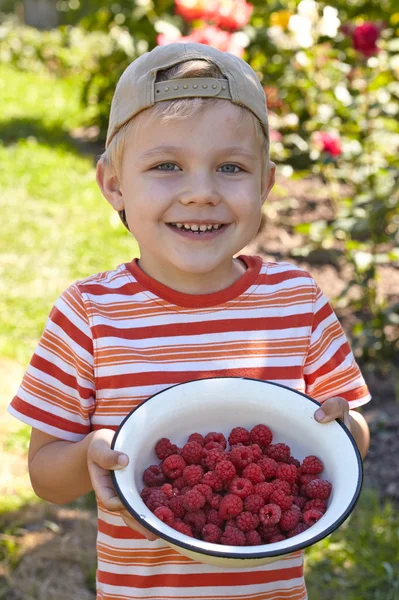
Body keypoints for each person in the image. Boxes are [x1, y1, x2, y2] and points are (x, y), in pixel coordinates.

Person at [8, 42, 371, 600]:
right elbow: (46, 478)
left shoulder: (296, 302)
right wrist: (89, 454)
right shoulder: (89, 314)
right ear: (113, 185)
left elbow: (350, 436)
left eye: (231, 167)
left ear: (265, 185)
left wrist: (343, 430)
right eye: (166, 166)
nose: (201, 192)